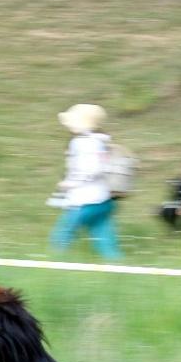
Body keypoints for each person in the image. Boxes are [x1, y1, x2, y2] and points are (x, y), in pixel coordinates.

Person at [49, 104, 122, 260]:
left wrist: (71, 183)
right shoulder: (102, 141)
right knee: (103, 233)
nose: (67, 124)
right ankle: (115, 262)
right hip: (104, 198)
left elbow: (91, 169)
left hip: (84, 200)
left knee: (63, 233)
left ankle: (55, 262)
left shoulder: (81, 142)